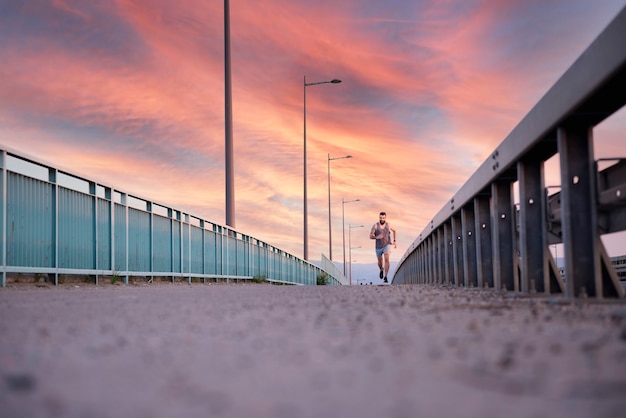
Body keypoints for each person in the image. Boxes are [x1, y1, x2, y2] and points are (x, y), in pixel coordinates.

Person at [369, 211, 397, 283]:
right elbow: (370, 236)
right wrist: (376, 237)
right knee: (380, 262)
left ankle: (386, 276)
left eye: (383, 218)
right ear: (379, 217)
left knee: (387, 259)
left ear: (385, 218)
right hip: (378, 247)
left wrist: (394, 240)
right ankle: (381, 269)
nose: (382, 219)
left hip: (387, 245)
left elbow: (395, 231)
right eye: (380, 218)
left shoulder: (388, 225)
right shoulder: (375, 226)